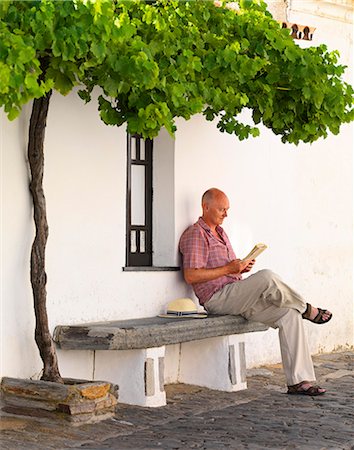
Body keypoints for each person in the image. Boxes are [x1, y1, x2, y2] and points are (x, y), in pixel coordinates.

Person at [179, 188, 332, 396]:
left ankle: (298, 382)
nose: (226, 214)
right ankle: (307, 308)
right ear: (206, 207)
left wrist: (240, 267)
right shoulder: (196, 234)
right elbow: (191, 275)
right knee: (267, 277)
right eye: (221, 209)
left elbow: (228, 269)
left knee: (289, 314)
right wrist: (229, 269)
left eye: (227, 209)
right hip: (218, 299)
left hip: (238, 296)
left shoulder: (221, 233)